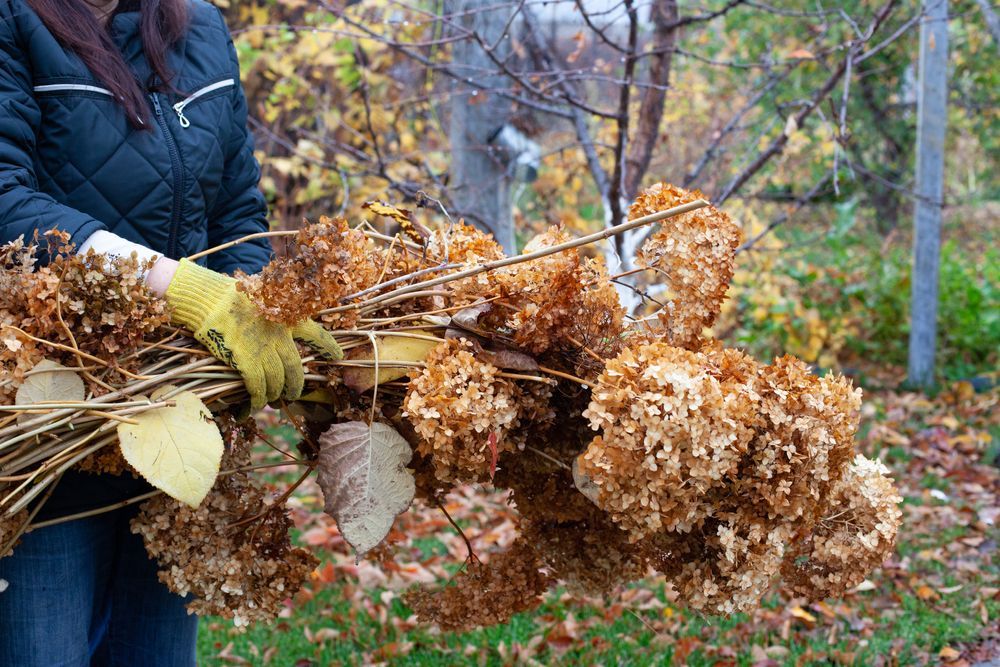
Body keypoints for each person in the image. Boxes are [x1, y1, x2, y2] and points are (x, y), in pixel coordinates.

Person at [0, 0, 341, 664]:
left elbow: (237, 204)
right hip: (46, 424)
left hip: (177, 419)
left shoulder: (201, 28)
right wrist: (179, 287)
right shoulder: (13, 20)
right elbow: (5, 202)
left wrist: (252, 309)